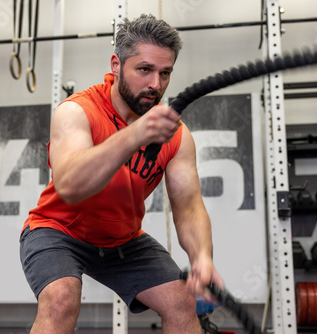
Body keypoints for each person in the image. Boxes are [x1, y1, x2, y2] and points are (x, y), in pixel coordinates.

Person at [19, 14, 223, 333]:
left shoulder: (177, 135)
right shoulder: (76, 112)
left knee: (184, 301)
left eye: (165, 73)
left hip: (123, 240)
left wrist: (202, 259)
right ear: (116, 65)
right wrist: (134, 135)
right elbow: (71, 187)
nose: (156, 84)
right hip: (58, 230)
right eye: (144, 70)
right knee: (60, 299)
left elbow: (190, 207)